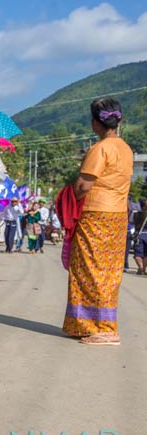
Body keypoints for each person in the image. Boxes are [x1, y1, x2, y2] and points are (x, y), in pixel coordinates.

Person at [63, 98, 133, 345]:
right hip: (117, 215)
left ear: (95, 123)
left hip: (96, 214)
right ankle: (90, 324)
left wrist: (67, 198)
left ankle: (102, 328)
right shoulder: (126, 149)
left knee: (90, 270)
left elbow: (84, 185)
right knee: (108, 271)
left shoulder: (100, 149)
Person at [134, 198, 147, 275]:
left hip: (140, 234)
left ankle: (140, 267)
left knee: (138, 254)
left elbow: (132, 221)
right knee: (146, 254)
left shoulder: (137, 214)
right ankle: (144, 269)